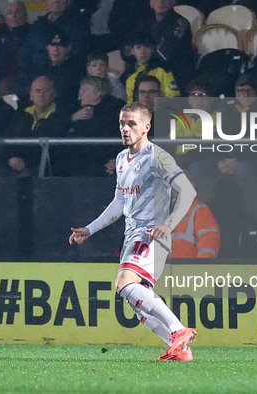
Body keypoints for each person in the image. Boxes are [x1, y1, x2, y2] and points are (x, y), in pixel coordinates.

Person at [69, 102, 199, 361]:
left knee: (124, 283)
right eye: (121, 124)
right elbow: (120, 202)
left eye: (131, 124)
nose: (125, 129)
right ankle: (180, 350)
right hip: (132, 235)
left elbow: (188, 190)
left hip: (151, 233)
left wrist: (169, 224)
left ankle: (178, 330)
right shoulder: (121, 159)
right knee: (137, 304)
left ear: (146, 127)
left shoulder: (157, 156)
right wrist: (90, 229)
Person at [121, 32, 180, 102]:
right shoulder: (129, 75)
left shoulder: (163, 70)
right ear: (132, 51)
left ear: (152, 49)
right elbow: (130, 104)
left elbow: (174, 97)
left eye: (146, 47)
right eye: (138, 47)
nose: (143, 51)